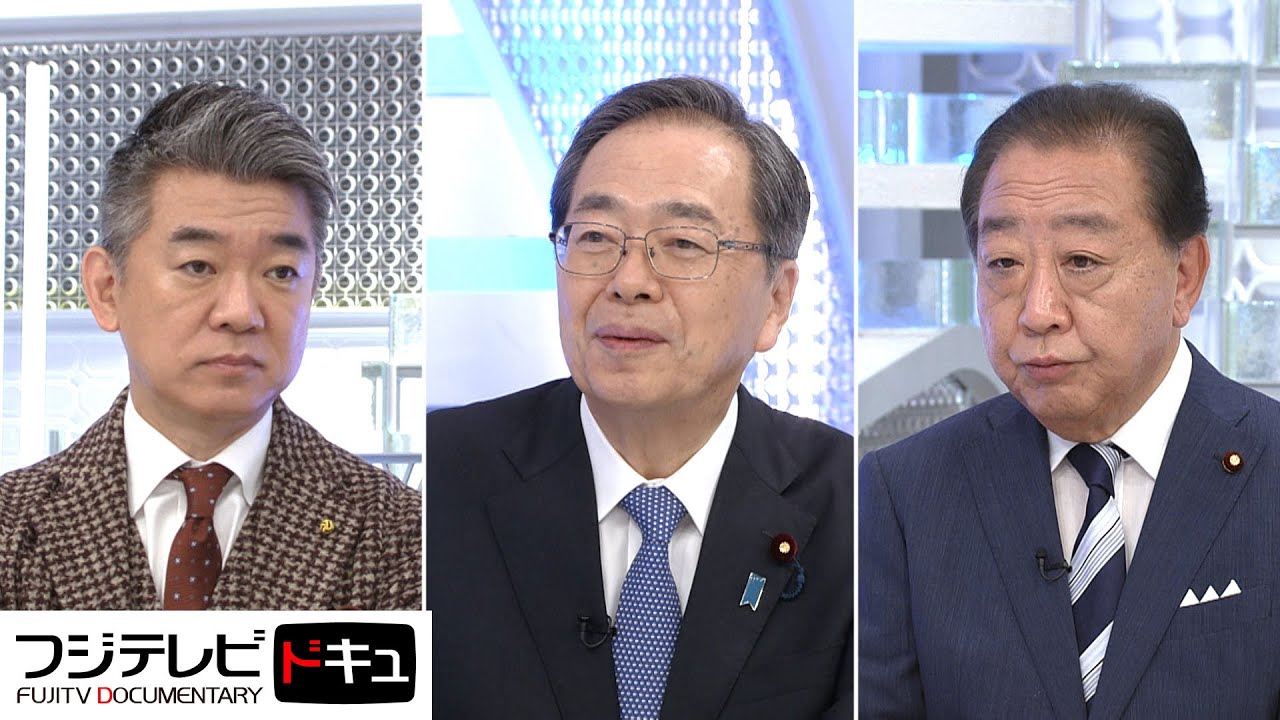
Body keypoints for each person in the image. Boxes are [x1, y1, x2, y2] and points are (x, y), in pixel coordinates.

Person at [427, 76, 852, 718]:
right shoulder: (439, 481)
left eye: (683, 243)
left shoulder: (854, 503)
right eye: (595, 236)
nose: (628, 282)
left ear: (776, 299)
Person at [860, 82, 1280, 717]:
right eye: (1004, 263)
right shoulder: (904, 493)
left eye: (1082, 260)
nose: (1038, 311)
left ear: (1185, 276)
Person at [0, 82, 421, 610]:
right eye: (198, 266)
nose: (240, 313)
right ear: (107, 289)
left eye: (281, 272)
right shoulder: (11, 528)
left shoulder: (402, 536)